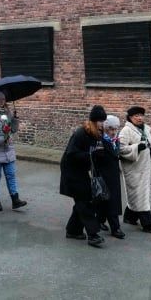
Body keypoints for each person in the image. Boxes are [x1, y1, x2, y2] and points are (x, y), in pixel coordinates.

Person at [60, 105, 108, 248]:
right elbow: (71, 154)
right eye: (99, 121)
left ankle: (72, 230)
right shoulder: (81, 133)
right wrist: (91, 155)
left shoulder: (97, 135)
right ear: (93, 121)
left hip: (82, 171)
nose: (102, 124)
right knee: (83, 202)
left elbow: (96, 154)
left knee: (85, 200)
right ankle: (93, 234)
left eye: (103, 121)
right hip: (71, 171)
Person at [0, 90, 27, 211]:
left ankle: (15, 199)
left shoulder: (8, 113)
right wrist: (2, 139)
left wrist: (15, 120)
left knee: (11, 175)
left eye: (3, 99)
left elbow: (12, 130)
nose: (2, 101)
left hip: (8, 150)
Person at [118, 106, 151, 233]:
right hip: (133, 169)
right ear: (130, 118)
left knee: (139, 195)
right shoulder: (125, 131)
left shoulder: (146, 129)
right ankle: (147, 224)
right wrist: (137, 148)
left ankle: (129, 217)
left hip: (145, 167)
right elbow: (121, 149)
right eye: (137, 115)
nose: (140, 118)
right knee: (139, 195)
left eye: (141, 115)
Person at [95, 114, 125, 239]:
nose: (113, 132)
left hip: (113, 174)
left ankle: (99, 220)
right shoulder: (101, 141)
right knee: (110, 201)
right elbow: (98, 159)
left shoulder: (115, 140)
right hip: (105, 175)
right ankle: (115, 228)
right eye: (111, 129)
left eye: (115, 129)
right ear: (106, 129)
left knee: (106, 200)